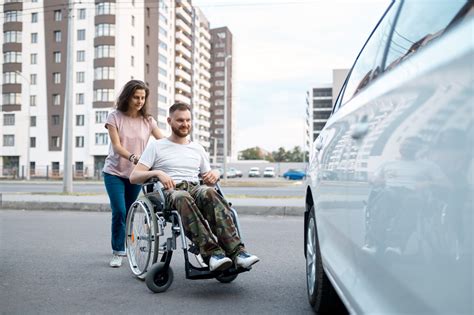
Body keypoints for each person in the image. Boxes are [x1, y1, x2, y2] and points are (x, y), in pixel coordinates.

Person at [130, 103, 259, 272]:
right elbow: (134, 177)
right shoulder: (157, 146)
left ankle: (237, 253)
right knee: (182, 196)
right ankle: (213, 254)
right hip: (170, 191)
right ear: (169, 121)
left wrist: (215, 172)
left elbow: (208, 179)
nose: (185, 124)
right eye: (180, 120)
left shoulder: (197, 148)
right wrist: (158, 173)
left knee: (210, 192)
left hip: (195, 187)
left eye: (188, 120)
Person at [103, 80, 165, 268]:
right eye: (136, 97)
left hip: (136, 175)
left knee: (130, 213)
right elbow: (117, 146)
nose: (139, 101)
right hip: (114, 172)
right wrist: (133, 157)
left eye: (142, 98)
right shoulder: (115, 117)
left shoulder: (148, 121)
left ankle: (127, 245)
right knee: (120, 211)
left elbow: (162, 142)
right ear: (127, 97)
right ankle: (117, 252)